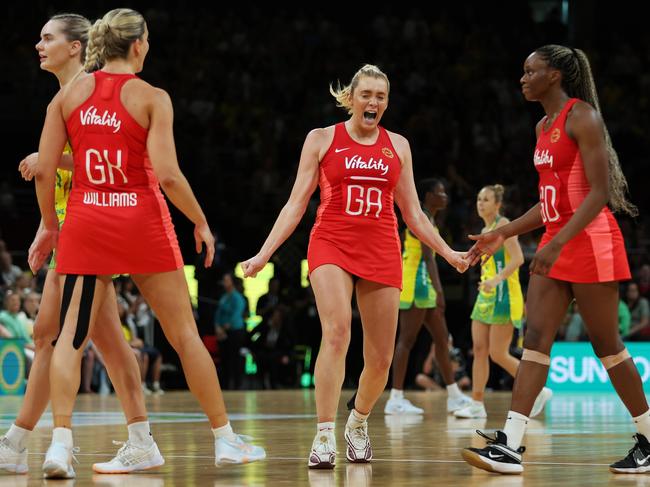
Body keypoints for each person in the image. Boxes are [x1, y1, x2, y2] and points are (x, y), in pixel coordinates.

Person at [28, 8, 264, 479]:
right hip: (141, 221)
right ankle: (225, 440)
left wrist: (50, 224)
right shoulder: (152, 96)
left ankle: (59, 446)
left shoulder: (70, 96)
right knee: (184, 337)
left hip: (87, 222)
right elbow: (170, 176)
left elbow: (46, 164)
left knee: (70, 340)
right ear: (138, 45)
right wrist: (200, 221)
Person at [241, 64, 468, 469]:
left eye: (381, 96)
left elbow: (414, 213)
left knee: (380, 358)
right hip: (331, 242)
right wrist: (263, 254)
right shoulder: (322, 139)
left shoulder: (398, 145)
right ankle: (324, 433)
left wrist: (449, 253)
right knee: (337, 332)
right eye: (366, 94)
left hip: (381, 246)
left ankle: (358, 422)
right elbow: (296, 205)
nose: (374, 102)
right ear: (351, 97)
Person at [462, 44, 650, 475]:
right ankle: (510, 444)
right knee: (536, 342)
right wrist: (503, 232)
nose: (522, 78)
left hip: (590, 241)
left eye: (531, 71)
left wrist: (558, 241)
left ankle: (649, 436)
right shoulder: (542, 126)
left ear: (555, 76)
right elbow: (549, 201)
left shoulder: (582, 117)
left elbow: (599, 194)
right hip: (557, 240)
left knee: (608, 347)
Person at [1, 13, 165, 477]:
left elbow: (116, 161)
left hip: (96, 231)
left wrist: (52, 159)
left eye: (48, 37)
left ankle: (27, 444)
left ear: (76, 47)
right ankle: (140, 439)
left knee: (50, 332)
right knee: (107, 344)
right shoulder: (64, 96)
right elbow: (61, 179)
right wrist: (45, 226)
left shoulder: (95, 92)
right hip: (72, 230)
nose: (38, 44)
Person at [454, 185, 552, 419]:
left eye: (486, 199)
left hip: (504, 295)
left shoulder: (503, 224)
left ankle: (539, 391)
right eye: (478, 199)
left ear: (497, 204)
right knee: (479, 350)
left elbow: (518, 259)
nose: (480, 203)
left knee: (498, 353)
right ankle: (477, 404)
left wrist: (496, 280)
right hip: (486, 295)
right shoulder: (485, 228)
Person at [384, 178, 471, 415]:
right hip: (416, 284)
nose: (444, 196)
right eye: (439, 192)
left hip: (425, 285)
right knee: (406, 340)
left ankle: (453, 395)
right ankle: (396, 397)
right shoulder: (419, 216)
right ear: (427, 196)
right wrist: (440, 291)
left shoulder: (428, 218)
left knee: (442, 340)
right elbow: (428, 258)